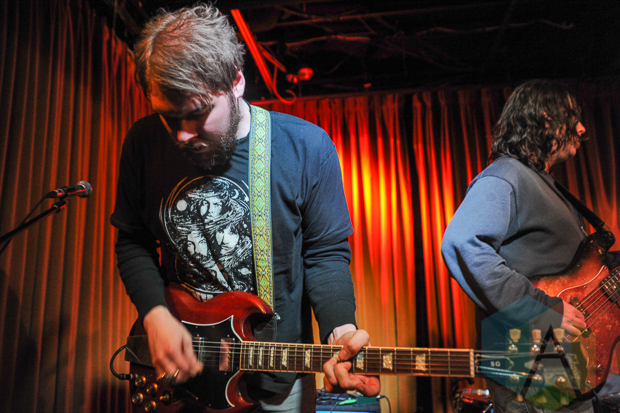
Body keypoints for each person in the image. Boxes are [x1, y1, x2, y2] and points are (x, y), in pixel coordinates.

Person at [110, 3, 379, 412]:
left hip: (278, 375)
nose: (181, 135)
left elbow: (325, 255)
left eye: (197, 114)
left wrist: (339, 331)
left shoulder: (306, 147)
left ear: (236, 81)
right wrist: (156, 315)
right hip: (180, 375)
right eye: (168, 117)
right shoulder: (143, 143)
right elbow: (133, 241)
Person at [441, 79, 620, 412]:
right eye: (573, 117)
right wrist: (539, 309)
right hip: (529, 357)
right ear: (546, 118)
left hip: (561, 358)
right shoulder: (507, 175)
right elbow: (462, 242)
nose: (582, 129)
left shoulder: (543, 184)